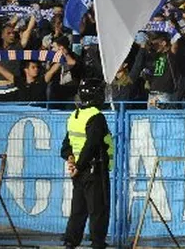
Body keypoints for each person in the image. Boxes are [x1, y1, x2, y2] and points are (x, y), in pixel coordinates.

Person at [61, 78, 113, 249]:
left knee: (78, 209)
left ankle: (71, 241)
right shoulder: (96, 116)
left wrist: (71, 159)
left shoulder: (74, 115)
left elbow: (66, 145)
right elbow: (91, 145)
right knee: (98, 209)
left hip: (79, 171)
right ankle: (97, 243)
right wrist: (79, 166)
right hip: (93, 169)